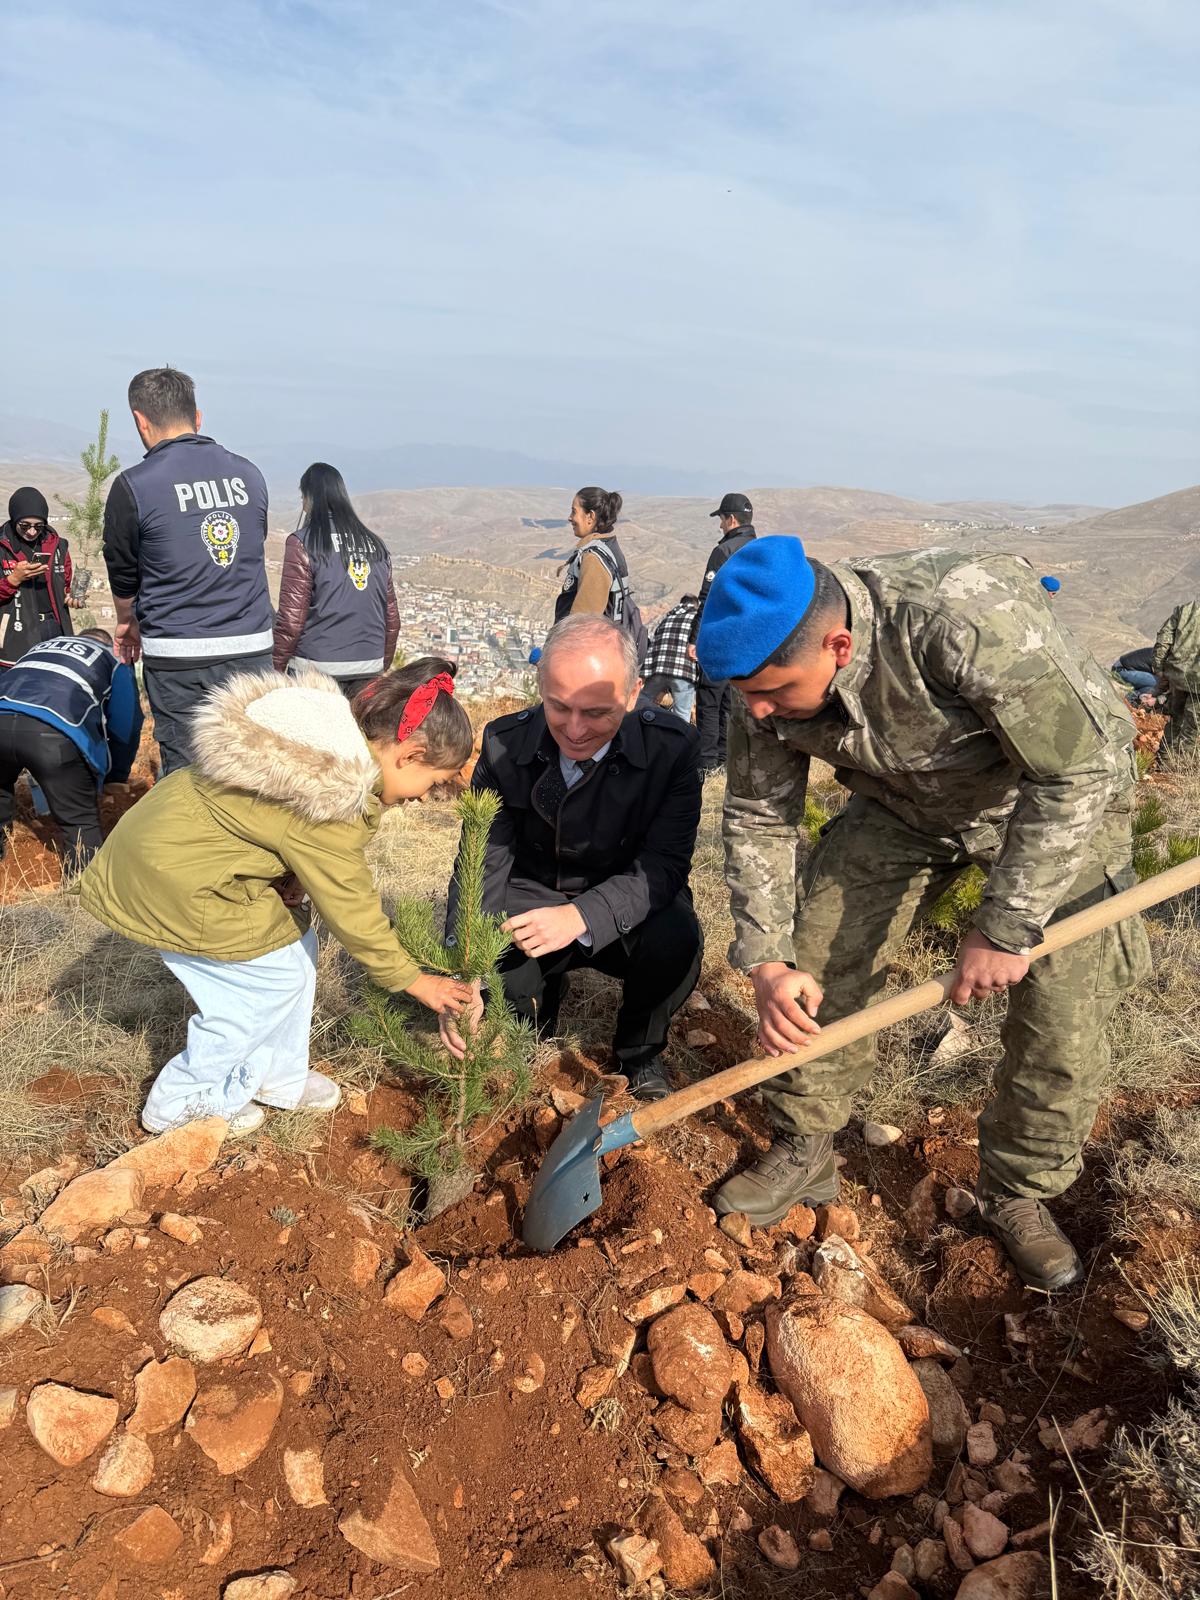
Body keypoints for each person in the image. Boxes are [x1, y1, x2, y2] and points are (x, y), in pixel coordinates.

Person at [697, 537, 1150, 1292]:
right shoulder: (763, 674)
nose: (756, 710)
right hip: (903, 806)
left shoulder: (963, 619)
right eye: (744, 694)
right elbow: (758, 813)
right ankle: (805, 1141)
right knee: (817, 956)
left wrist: (1006, 925)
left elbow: (1080, 769)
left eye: (772, 692)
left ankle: (1019, 1191)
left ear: (838, 646)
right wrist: (768, 959)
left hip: (1046, 805)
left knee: (1064, 1007)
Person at [79, 660, 474, 1134]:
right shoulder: (336, 796)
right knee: (255, 995)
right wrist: (414, 980)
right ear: (409, 754)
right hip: (177, 879)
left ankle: (274, 1076)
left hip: (185, 855)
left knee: (295, 950)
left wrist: (291, 872)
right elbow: (352, 907)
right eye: (433, 783)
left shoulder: (333, 749)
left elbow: (272, 823)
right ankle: (180, 1100)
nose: (425, 797)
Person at [442, 615, 703, 1102]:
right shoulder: (505, 745)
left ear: (632, 694)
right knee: (507, 996)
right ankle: (533, 1019)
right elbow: (482, 862)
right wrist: (465, 967)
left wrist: (583, 915)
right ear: (541, 686)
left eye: (597, 713)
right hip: (534, 893)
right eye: (559, 707)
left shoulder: (672, 751)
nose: (576, 729)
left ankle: (640, 1053)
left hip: (626, 895)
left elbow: (664, 866)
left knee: (675, 940)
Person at [101, 367, 274, 775]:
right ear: (198, 418)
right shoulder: (250, 474)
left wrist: (127, 621)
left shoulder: (134, 486)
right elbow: (252, 541)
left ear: (140, 422)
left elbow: (123, 569)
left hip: (180, 655)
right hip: (251, 648)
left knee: (186, 772)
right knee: (248, 765)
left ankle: (190, 838)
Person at [0, 629, 143, 872]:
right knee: (79, 820)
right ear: (107, 643)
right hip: (52, 732)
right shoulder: (114, 658)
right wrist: (115, 775)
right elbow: (125, 723)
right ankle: (79, 898)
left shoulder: (39, 648)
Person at [273, 462, 400, 698]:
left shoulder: (303, 542)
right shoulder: (375, 544)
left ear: (310, 498)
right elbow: (391, 618)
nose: (303, 505)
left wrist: (276, 669)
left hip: (315, 671)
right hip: (368, 669)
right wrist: (379, 665)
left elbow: (291, 620)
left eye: (303, 497)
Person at [689, 492, 757, 775]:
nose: (720, 526)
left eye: (720, 519)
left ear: (730, 519)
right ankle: (727, 761)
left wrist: (695, 638)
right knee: (732, 703)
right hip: (750, 641)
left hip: (722, 635)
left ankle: (706, 764)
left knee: (709, 699)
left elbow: (708, 597)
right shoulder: (758, 549)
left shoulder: (724, 551)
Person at [554, 487, 648, 661]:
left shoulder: (594, 558)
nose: (570, 518)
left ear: (590, 516)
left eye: (574, 512)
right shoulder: (607, 547)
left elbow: (583, 622)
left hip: (588, 657)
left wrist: (563, 658)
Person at [0, 487, 76, 663]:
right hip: (16, 634)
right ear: (14, 519)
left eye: (38, 526)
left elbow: (65, 585)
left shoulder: (58, 546)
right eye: (25, 526)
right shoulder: (2, 548)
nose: (32, 532)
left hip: (54, 628)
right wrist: (13, 580)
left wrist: (71, 597)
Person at [1153, 599, 1200, 759]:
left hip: (1177, 675)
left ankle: (1164, 760)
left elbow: (1163, 640)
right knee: (1192, 727)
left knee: (1175, 719)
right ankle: (1181, 768)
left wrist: (1159, 668)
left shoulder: (1184, 610)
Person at [642, 594, 700, 721]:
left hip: (658, 668)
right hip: (683, 671)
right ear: (696, 605)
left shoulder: (667, 618)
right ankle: (679, 738)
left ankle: (633, 728)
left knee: (643, 701)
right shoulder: (697, 619)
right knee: (682, 713)